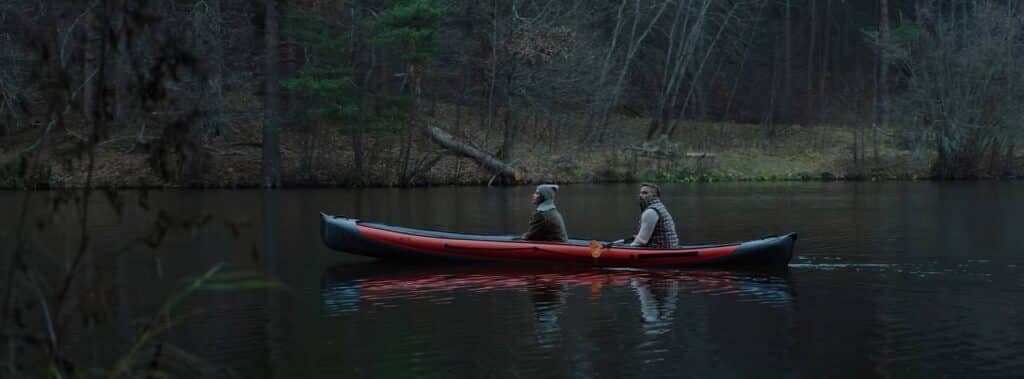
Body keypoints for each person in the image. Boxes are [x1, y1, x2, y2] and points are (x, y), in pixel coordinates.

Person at [625, 183, 679, 248]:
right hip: (672, 247)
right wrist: (638, 237)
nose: (640, 195)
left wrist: (629, 247)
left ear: (654, 196)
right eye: (641, 193)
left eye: (645, 193)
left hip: (662, 250)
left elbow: (642, 241)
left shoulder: (650, 212)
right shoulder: (660, 206)